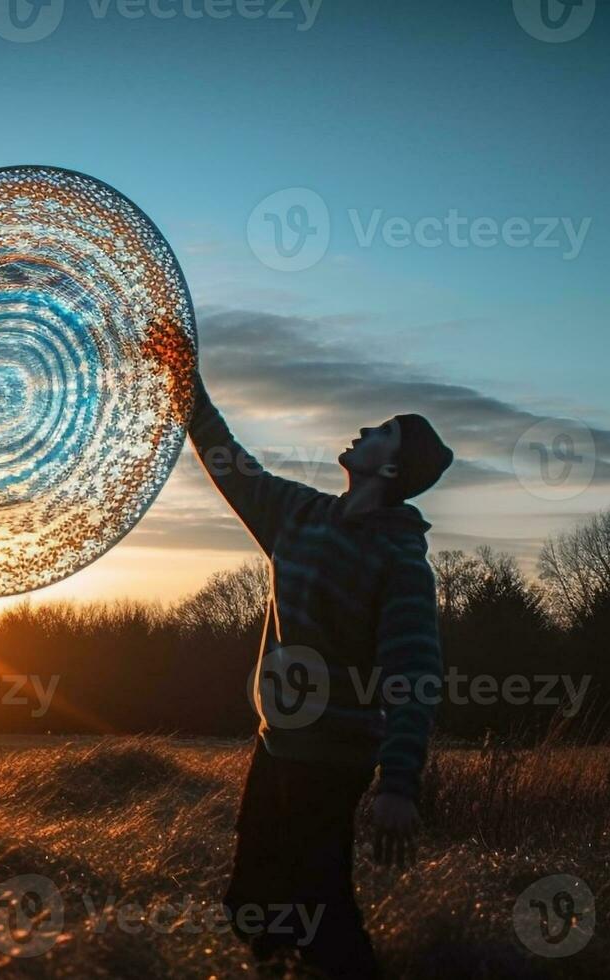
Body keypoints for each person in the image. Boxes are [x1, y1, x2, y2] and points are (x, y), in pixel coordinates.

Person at [187, 369, 452, 978]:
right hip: (276, 745)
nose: (366, 429)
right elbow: (229, 461)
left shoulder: (400, 559)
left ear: (392, 468)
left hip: (333, 758)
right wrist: (187, 383)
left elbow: (415, 673)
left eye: (384, 431)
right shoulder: (297, 514)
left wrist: (398, 784)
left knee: (319, 907)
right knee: (251, 903)